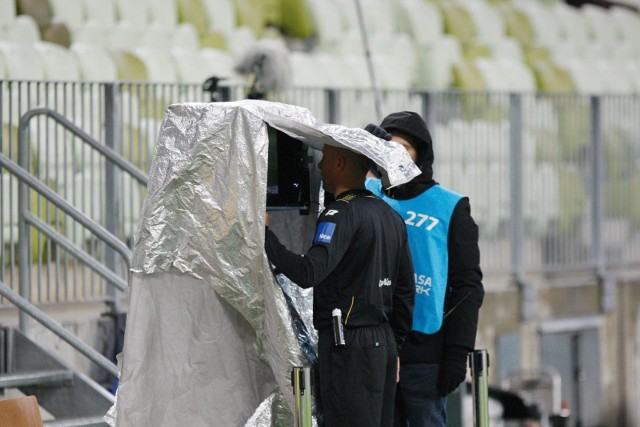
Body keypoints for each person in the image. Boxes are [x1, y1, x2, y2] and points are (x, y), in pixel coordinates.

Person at [264, 143, 415, 427]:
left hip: (349, 347)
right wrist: (395, 346)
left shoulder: (340, 214)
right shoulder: (390, 216)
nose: (319, 167)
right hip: (384, 345)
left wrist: (265, 236)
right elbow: (405, 291)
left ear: (341, 164)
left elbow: (309, 272)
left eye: (326, 160)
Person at [364, 112, 485, 427]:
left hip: (425, 354)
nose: (394, 153)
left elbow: (468, 287)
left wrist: (457, 353)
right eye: (387, 146)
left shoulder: (450, 206)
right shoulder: (366, 196)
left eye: (403, 147)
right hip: (375, 348)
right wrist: (362, 148)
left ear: (420, 154)